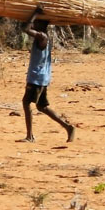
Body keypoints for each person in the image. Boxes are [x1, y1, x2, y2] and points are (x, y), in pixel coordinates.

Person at [22, 10, 74, 143]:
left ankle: (30, 136)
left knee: (26, 102)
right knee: (41, 107)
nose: (34, 25)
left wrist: (34, 13)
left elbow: (26, 29)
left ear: (41, 25)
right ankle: (68, 127)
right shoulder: (42, 37)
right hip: (41, 77)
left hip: (36, 78)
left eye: (36, 23)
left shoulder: (42, 37)